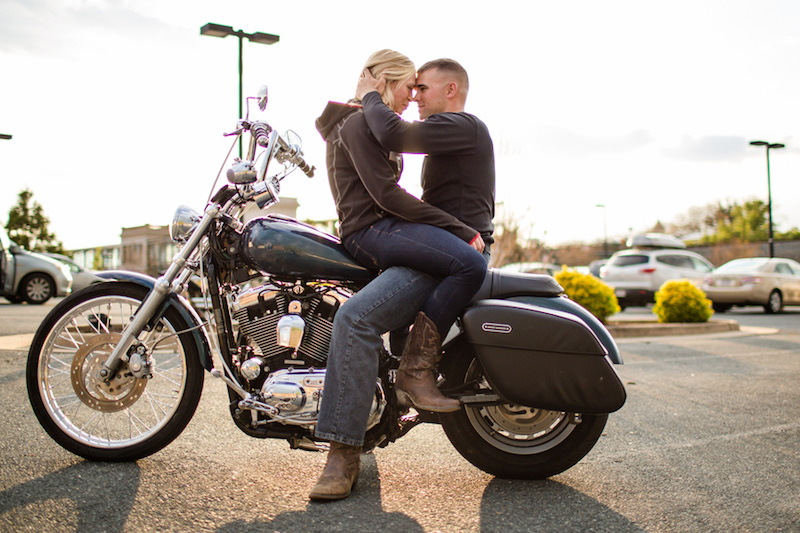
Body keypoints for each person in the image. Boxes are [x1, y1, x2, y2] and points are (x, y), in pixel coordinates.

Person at [310, 54, 495, 501]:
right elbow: (387, 194)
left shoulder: (452, 125)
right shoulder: (362, 125)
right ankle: (345, 448)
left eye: (421, 88)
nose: (414, 97)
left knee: (367, 321)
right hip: (402, 237)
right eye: (409, 86)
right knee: (357, 319)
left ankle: (399, 387)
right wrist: (452, 229)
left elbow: (394, 161)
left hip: (422, 240)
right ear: (388, 81)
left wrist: (450, 230)